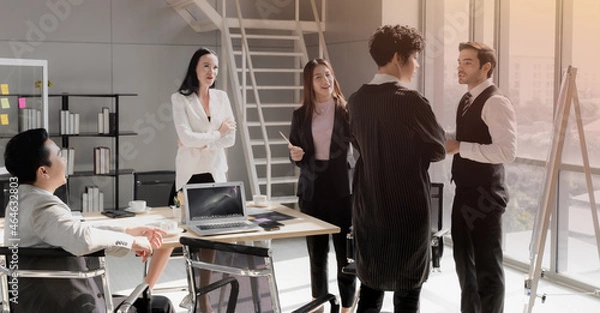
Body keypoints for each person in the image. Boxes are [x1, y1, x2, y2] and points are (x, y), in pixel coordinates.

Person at [3, 128, 174, 313]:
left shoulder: (20, 202)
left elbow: (74, 229)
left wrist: (127, 232)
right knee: (161, 306)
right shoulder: (42, 207)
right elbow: (82, 239)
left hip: (41, 304)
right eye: (60, 156)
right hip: (71, 306)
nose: (65, 160)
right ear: (43, 171)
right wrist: (131, 242)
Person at [347, 25, 446, 313]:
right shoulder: (411, 101)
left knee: (370, 288)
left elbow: (357, 146)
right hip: (406, 210)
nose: (416, 65)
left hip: (369, 208)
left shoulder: (356, 100)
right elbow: (438, 148)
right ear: (397, 57)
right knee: (407, 295)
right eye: (414, 57)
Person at [445, 41, 517, 313]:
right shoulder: (467, 99)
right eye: (460, 61)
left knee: (487, 270)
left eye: (468, 62)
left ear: (486, 67)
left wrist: (459, 147)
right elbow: (472, 135)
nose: (460, 67)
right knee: (464, 265)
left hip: (486, 196)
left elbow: (507, 152)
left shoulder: (496, 102)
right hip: (464, 192)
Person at [287, 58, 356, 313]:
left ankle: (347, 308)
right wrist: (295, 156)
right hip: (313, 190)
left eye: (328, 75)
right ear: (310, 83)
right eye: (318, 77)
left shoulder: (347, 111)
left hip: (342, 189)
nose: (326, 81)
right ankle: (318, 306)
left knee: (345, 256)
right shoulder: (300, 115)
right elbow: (296, 153)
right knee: (317, 256)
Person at [171, 47, 236, 313]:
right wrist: (216, 134)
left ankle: (204, 296)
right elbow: (185, 137)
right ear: (195, 69)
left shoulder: (221, 97)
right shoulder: (180, 99)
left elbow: (230, 138)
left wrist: (201, 143)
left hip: (215, 172)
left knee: (213, 238)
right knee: (192, 238)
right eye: (206, 66)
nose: (212, 72)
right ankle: (192, 290)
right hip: (190, 174)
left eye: (216, 67)